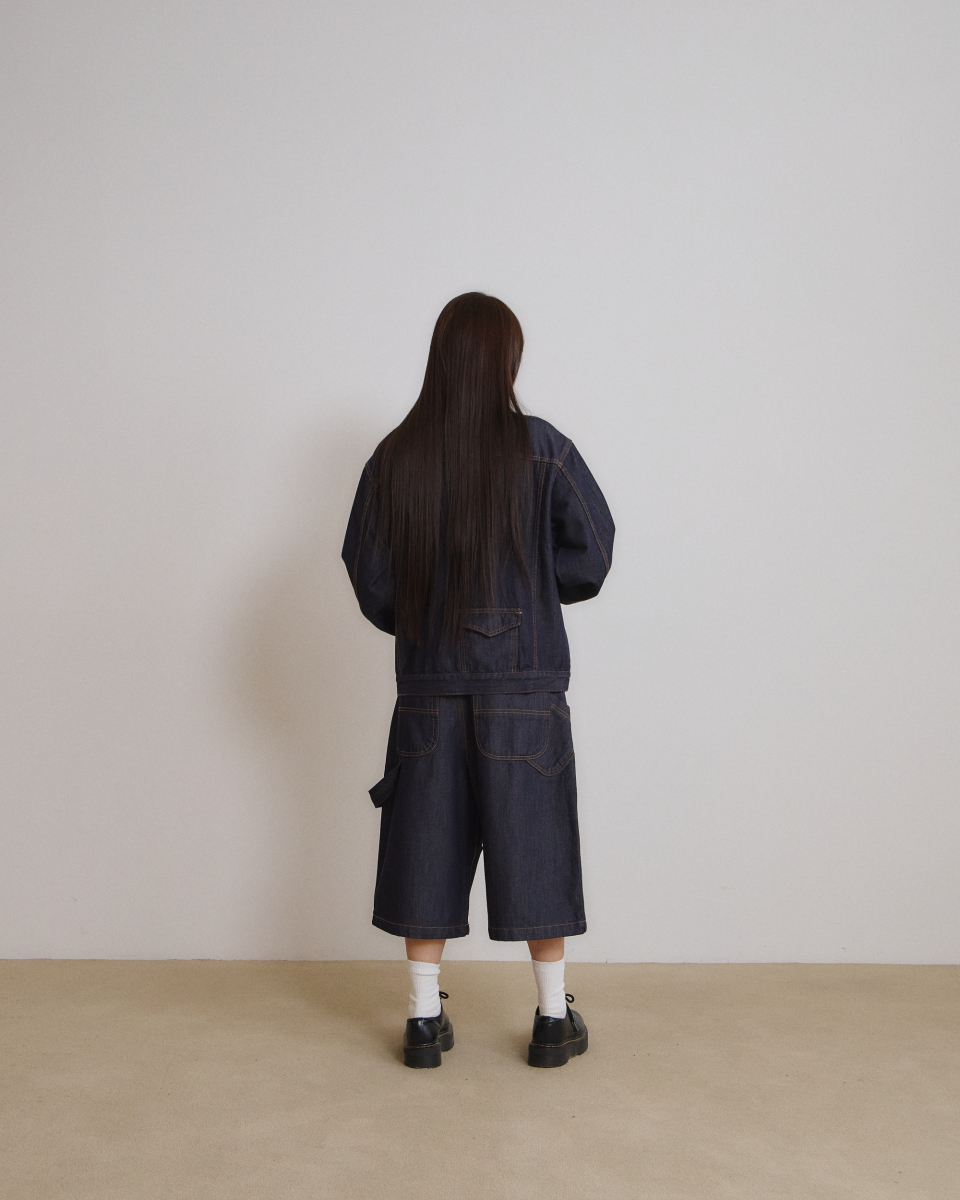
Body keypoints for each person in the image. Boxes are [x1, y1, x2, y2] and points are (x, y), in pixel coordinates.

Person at [341, 292, 614, 1068]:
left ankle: (423, 1019)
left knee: (425, 844)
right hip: (524, 690)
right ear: (505, 360)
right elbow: (592, 554)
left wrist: (425, 625)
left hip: (428, 691)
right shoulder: (543, 448)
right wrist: (531, 596)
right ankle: (553, 1018)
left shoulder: (396, 456)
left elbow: (369, 573)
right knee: (538, 842)